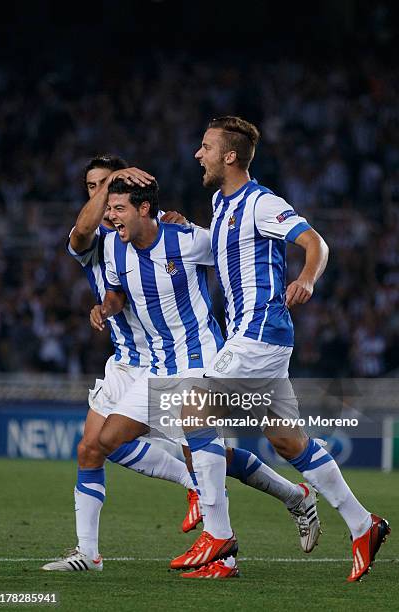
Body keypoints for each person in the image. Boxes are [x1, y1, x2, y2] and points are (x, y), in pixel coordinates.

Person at [91, 177, 321, 580]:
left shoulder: (186, 240)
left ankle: (225, 555)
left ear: (145, 210)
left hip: (200, 360)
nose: (110, 217)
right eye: (109, 210)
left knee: (202, 453)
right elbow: (116, 292)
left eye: (118, 208)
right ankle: (294, 495)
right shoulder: (112, 246)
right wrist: (106, 307)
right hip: (159, 367)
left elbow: (233, 255)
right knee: (109, 440)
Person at [192, 115, 390, 582]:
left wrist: (305, 278)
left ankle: (219, 541)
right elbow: (219, 253)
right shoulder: (221, 206)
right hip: (257, 337)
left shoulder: (261, 203)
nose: (198, 154)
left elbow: (315, 243)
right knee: (286, 440)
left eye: (206, 146)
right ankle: (363, 524)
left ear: (230, 155)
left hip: (259, 333)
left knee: (191, 412)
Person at [42, 156, 200, 572]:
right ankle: (88, 553)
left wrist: (174, 223)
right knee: (91, 449)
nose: (102, 198)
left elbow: (175, 245)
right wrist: (105, 307)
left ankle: (288, 497)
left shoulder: (140, 229)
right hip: (125, 360)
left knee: (204, 453)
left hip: (164, 359)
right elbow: (82, 233)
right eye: (93, 189)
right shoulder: (97, 239)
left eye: (109, 190)